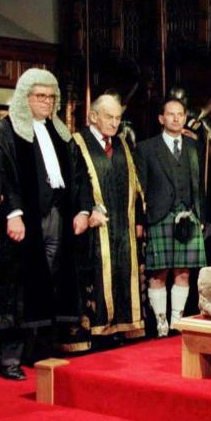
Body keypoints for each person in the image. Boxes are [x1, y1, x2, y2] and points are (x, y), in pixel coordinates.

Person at [0, 68, 83, 381]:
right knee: (16, 287)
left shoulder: (61, 133)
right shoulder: (3, 131)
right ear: (24, 98)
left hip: (56, 218)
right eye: (41, 96)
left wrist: (83, 210)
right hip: (24, 220)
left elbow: (79, 175)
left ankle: (36, 348)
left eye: (51, 97)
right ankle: (9, 356)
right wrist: (13, 213)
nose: (48, 102)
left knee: (48, 280)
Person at [71, 92, 146, 345]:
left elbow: (135, 186)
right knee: (97, 278)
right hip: (94, 229)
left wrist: (138, 221)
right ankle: (97, 330)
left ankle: (118, 327)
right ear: (93, 116)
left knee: (122, 273)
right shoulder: (77, 143)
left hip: (122, 229)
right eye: (108, 117)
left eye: (118, 118)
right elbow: (75, 185)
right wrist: (85, 211)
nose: (114, 123)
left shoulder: (123, 144)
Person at [137, 95, 206, 337]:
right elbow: (140, 188)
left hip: (188, 215)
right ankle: (160, 324)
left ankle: (177, 321)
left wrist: (201, 215)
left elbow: (198, 184)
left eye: (181, 114)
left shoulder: (193, 147)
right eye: (171, 114)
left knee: (183, 271)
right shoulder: (146, 148)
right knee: (159, 273)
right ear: (161, 118)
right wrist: (140, 221)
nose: (177, 118)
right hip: (158, 216)